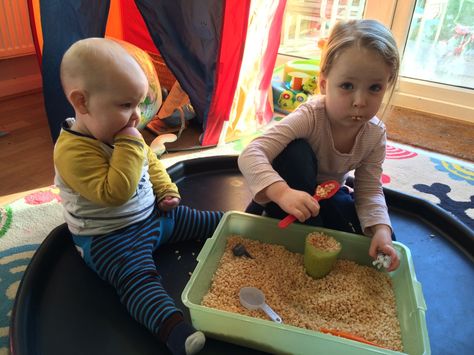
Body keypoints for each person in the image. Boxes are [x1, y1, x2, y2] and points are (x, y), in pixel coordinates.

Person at [54, 37, 223, 355]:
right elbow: (114, 193)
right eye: (125, 105)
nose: (136, 117)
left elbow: (151, 162)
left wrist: (166, 191)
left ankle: (243, 225)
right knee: (136, 279)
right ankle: (173, 329)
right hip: (109, 238)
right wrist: (131, 144)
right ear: (82, 102)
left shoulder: (122, 132)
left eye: (138, 104)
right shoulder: (72, 151)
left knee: (204, 221)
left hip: (154, 216)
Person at [238, 19, 401, 271]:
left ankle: (313, 227)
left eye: (374, 88)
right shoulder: (311, 116)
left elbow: (368, 190)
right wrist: (282, 193)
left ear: (387, 85)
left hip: (325, 194)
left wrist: (381, 229)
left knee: (378, 242)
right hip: (285, 192)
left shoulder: (374, 134)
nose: (360, 101)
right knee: (296, 152)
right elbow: (251, 153)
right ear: (324, 83)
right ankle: (276, 219)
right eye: (347, 86)